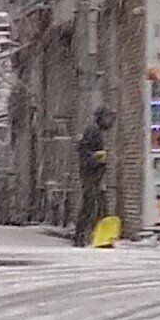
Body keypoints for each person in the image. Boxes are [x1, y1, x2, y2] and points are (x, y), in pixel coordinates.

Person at [73, 106, 115, 247]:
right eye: (107, 118)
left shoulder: (96, 131)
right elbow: (84, 151)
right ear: (100, 118)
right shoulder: (93, 131)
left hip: (95, 175)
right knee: (90, 205)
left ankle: (98, 237)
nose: (110, 122)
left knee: (98, 206)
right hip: (91, 176)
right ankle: (84, 236)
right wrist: (97, 159)